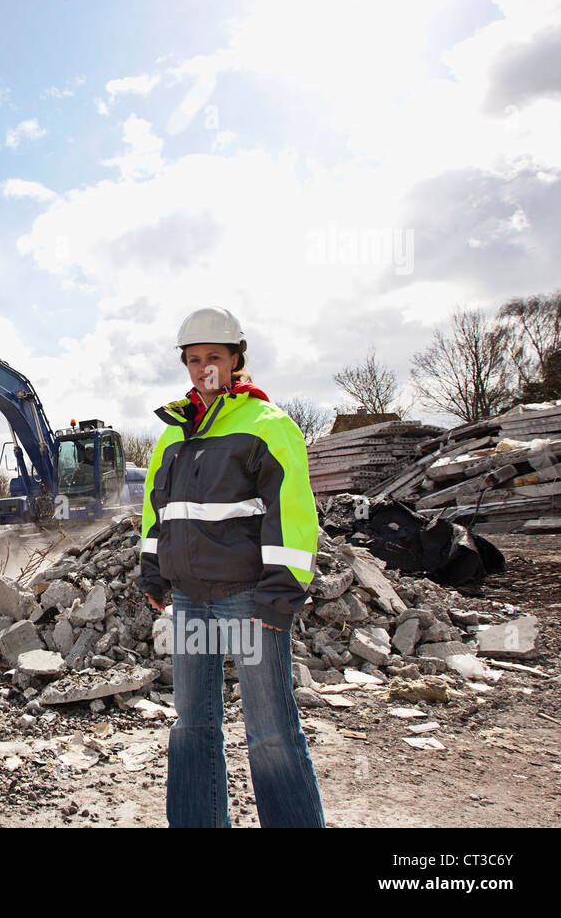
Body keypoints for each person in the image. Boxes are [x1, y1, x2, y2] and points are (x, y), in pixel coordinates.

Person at [135, 306, 325, 828]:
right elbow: (159, 510)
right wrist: (153, 571)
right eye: (193, 359)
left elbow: (291, 514)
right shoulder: (173, 434)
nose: (204, 368)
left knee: (270, 731)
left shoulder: (267, 425)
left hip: (248, 599)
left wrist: (280, 594)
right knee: (192, 726)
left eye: (214, 357)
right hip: (190, 599)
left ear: (236, 358)